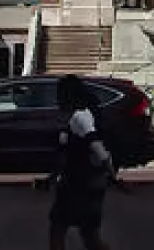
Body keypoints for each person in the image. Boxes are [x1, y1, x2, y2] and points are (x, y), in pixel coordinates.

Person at [41, 74, 114, 250]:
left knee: (59, 229)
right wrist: (52, 177)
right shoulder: (77, 116)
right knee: (89, 236)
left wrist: (110, 173)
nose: (57, 98)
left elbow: (98, 149)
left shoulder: (80, 117)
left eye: (60, 93)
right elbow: (65, 153)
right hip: (84, 183)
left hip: (78, 184)